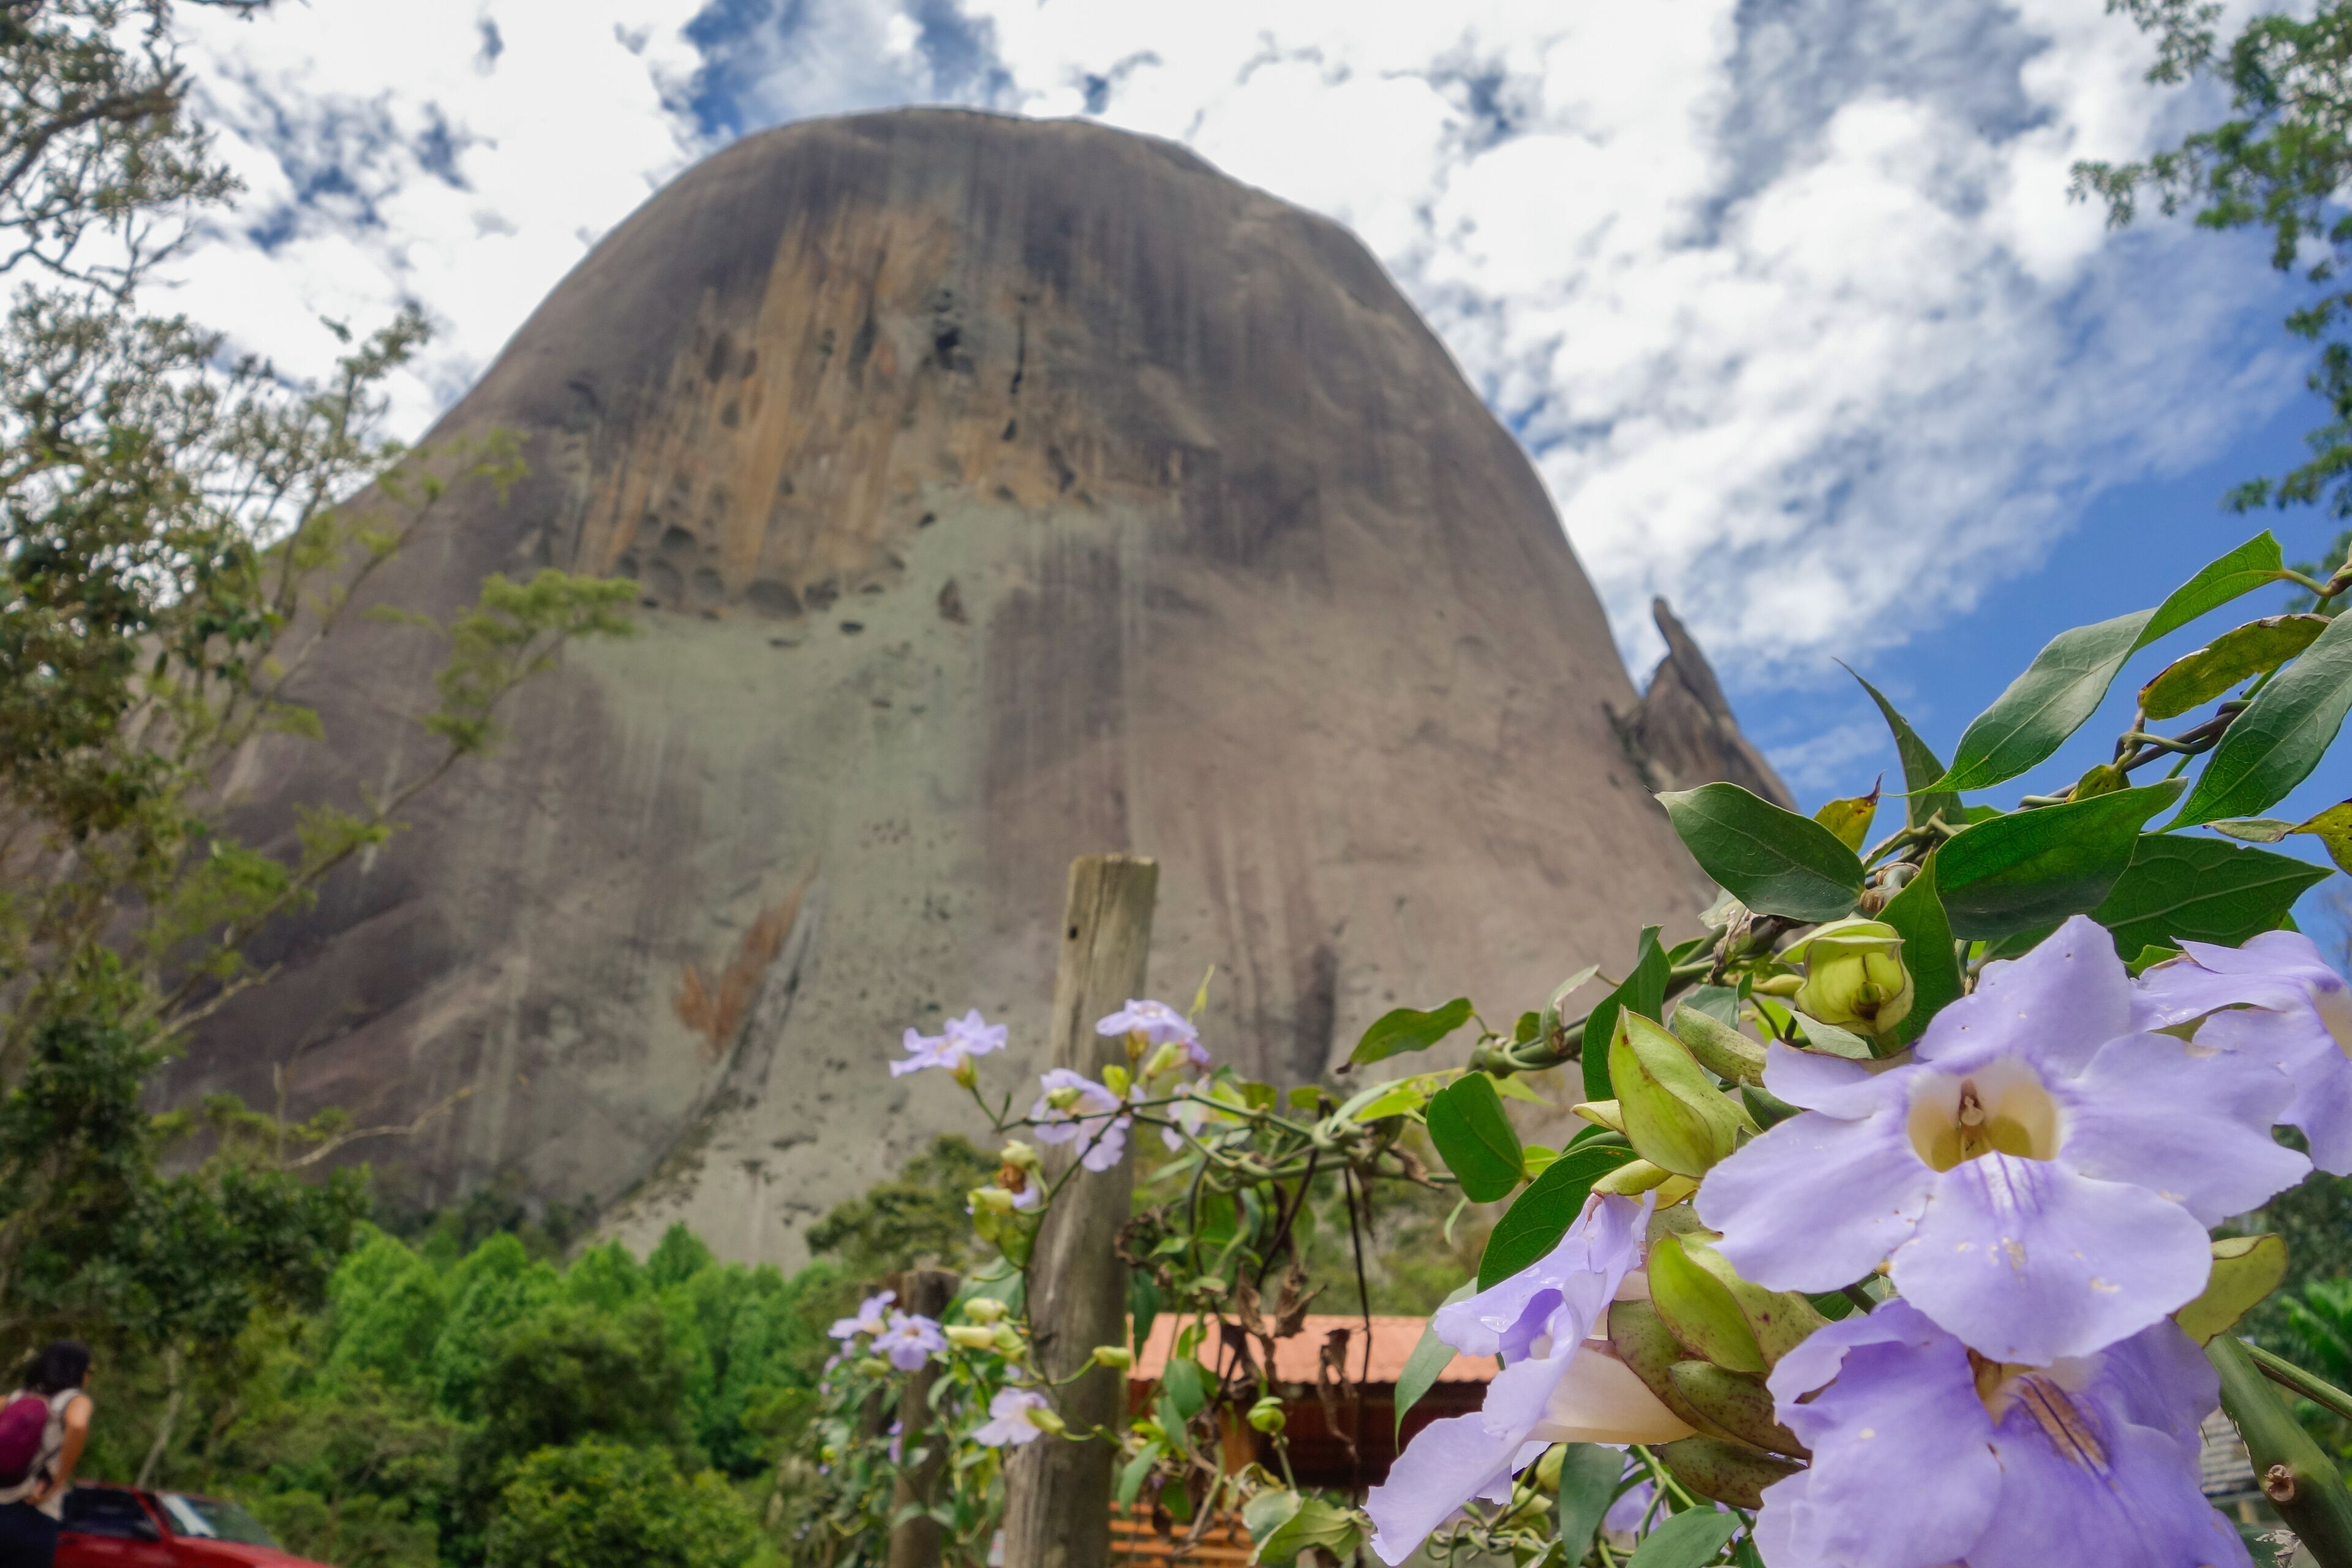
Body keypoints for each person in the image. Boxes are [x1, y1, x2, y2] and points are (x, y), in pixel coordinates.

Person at [0, 1343, 93, 1568]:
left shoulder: (14, 1398)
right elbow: (78, 1425)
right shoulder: (75, 1400)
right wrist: (58, 1479)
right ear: (77, 1371)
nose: (90, 1378)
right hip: (35, 1510)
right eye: (90, 1372)